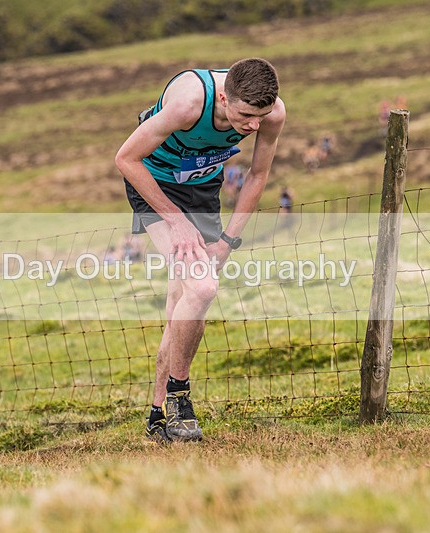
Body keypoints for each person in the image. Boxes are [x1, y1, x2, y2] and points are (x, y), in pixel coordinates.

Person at [115, 58, 285, 443]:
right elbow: (126, 159)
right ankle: (179, 398)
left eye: (261, 115)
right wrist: (174, 220)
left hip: (202, 191)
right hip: (155, 186)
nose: (253, 126)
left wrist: (228, 241)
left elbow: (258, 175)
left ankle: (158, 417)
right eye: (245, 116)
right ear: (224, 98)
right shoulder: (189, 104)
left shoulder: (272, 114)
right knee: (203, 288)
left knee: (183, 299)